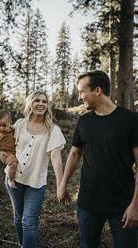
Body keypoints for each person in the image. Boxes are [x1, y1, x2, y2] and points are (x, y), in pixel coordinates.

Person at [58, 70, 138, 248]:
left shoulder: (131, 120)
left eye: (82, 91)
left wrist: (136, 205)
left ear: (97, 90)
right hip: (88, 205)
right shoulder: (84, 121)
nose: (79, 97)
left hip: (123, 206)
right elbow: (75, 153)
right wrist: (63, 183)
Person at [0, 91, 66, 248]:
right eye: (37, 100)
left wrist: (60, 184)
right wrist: (1, 153)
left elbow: (56, 157)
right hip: (13, 179)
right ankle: (22, 244)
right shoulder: (20, 124)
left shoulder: (53, 130)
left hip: (36, 183)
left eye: (44, 101)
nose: (41, 104)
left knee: (29, 221)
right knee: (18, 216)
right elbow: (6, 142)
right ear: (30, 103)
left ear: (47, 106)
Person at [0, 109, 17, 189]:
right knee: (13, 163)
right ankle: (10, 180)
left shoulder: (13, 130)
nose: (1, 128)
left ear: (10, 122)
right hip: (4, 153)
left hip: (13, 151)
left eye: (4, 125)